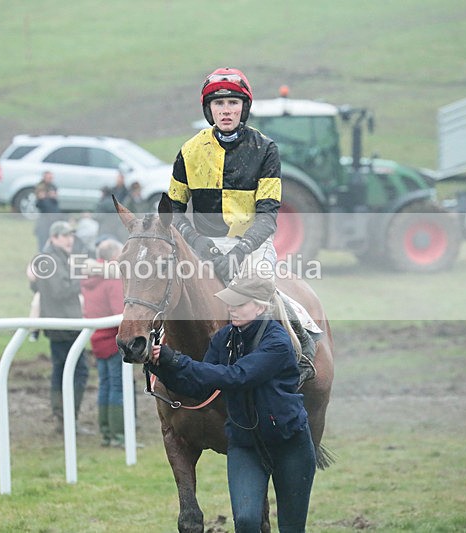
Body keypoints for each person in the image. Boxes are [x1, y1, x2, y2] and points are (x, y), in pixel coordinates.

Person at [148, 272, 315, 533]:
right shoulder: (224, 338)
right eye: (230, 302)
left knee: (292, 529)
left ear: (260, 307)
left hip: (289, 445)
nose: (231, 308)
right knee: (247, 522)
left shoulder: (278, 341)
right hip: (245, 445)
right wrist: (161, 366)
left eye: (239, 303)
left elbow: (238, 376)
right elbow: (199, 385)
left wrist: (176, 360)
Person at [168, 67, 281, 284]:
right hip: (202, 245)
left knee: (258, 290)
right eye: (219, 103)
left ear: (244, 107)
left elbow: (267, 215)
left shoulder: (266, 149)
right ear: (209, 109)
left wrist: (241, 251)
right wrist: (196, 241)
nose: (226, 110)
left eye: (233, 103)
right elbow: (172, 210)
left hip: (252, 246)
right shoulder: (189, 150)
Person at [35, 220, 90, 433]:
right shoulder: (49, 259)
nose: (70, 240)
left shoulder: (55, 257)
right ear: (54, 238)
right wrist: (80, 275)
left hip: (65, 323)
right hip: (63, 325)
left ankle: (64, 419)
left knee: (64, 371)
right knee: (77, 371)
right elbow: (59, 291)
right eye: (65, 236)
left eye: (71, 236)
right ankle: (67, 419)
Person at [80, 238, 126, 446]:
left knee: (105, 385)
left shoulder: (90, 278)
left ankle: (107, 432)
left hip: (96, 338)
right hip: (113, 339)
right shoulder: (112, 280)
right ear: (114, 257)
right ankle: (118, 434)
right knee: (117, 386)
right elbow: (120, 312)